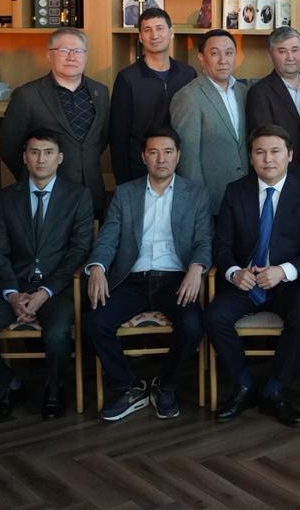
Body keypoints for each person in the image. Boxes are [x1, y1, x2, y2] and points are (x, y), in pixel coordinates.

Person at [0, 129, 94, 423]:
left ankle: (54, 390)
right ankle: (9, 386)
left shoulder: (78, 196)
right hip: (14, 286)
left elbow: (79, 252)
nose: (41, 159)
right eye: (34, 152)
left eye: (48, 153)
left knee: (57, 335)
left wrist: (45, 292)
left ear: (60, 158)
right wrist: (11, 294)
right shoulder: (6, 198)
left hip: (57, 288)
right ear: (24, 157)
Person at [82, 127, 212, 422]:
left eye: (168, 152)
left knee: (192, 327)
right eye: (153, 152)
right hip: (132, 279)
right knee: (95, 323)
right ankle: (128, 387)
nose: (161, 159)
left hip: (175, 279)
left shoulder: (196, 194)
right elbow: (108, 238)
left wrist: (197, 268)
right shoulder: (125, 193)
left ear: (178, 156)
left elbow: (204, 240)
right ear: (143, 157)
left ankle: (165, 386)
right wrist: (98, 267)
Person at [205, 124, 300, 426]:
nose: (268, 159)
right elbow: (221, 245)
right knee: (214, 316)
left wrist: (283, 271)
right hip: (246, 282)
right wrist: (234, 273)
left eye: (275, 151)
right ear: (250, 157)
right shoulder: (236, 191)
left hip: (286, 283)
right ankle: (244, 385)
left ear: (290, 155)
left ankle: (275, 389)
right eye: (260, 152)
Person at [0, 26, 111, 216]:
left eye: (78, 51)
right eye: (63, 50)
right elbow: (9, 147)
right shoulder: (27, 95)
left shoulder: (100, 92)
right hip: (46, 196)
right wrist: (36, 177)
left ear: (85, 56)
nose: (71, 57)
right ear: (49, 55)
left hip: (91, 193)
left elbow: (101, 140)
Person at [108, 8, 197, 186]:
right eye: (147, 30)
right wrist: (123, 183)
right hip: (139, 172)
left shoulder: (188, 74)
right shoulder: (127, 78)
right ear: (140, 37)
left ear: (171, 32)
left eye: (159, 28)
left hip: (182, 170)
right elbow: (118, 136)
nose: (154, 35)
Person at [170, 29, 249, 214]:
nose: (223, 60)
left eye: (229, 53)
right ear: (201, 58)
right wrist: (198, 202)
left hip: (246, 195)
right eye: (214, 53)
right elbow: (188, 160)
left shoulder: (243, 92)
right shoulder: (188, 96)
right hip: (212, 200)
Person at [246, 26, 300, 181]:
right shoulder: (259, 93)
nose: (290, 57)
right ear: (270, 55)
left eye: (295, 50)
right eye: (282, 51)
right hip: (282, 179)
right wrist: (296, 176)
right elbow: (265, 142)